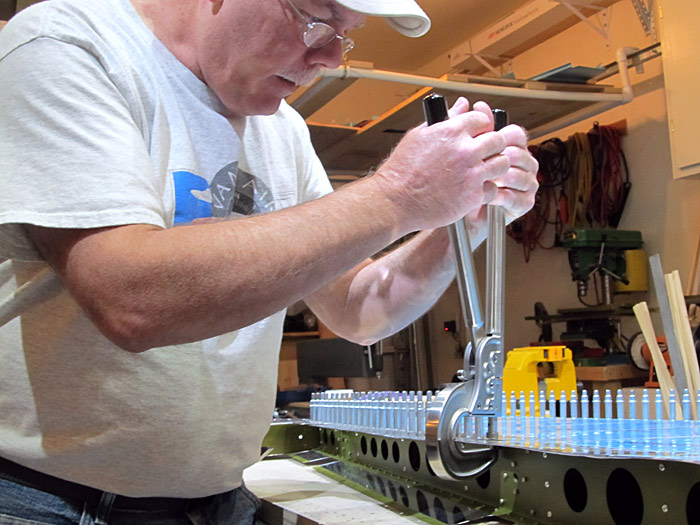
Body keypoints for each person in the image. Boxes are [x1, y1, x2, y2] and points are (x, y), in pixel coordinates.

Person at [0, 0, 539, 523]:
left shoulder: (282, 130)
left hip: (223, 499)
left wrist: (462, 222)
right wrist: (398, 194)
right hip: (53, 504)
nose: (330, 58)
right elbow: (133, 300)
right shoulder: (68, 45)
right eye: (318, 22)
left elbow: (357, 308)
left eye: (344, 35)